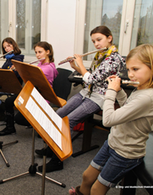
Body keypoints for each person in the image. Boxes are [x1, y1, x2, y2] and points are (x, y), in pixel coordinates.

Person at [69, 44, 153, 195]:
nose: (130, 75)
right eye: (129, 69)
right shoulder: (141, 89)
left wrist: (110, 91)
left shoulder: (148, 97)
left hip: (126, 152)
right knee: (86, 177)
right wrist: (119, 92)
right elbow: (127, 108)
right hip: (113, 142)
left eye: (136, 69)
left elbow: (108, 120)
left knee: (97, 189)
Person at [35, 26, 126, 173]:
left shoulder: (114, 59)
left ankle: (58, 161)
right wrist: (76, 67)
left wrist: (81, 64)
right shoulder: (101, 55)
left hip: (99, 97)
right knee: (58, 115)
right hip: (87, 92)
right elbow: (90, 76)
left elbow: (91, 79)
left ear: (109, 38)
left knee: (69, 121)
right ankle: (52, 149)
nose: (96, 44)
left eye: (99, 40)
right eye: (93, 41)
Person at [0, 41, 58, 136]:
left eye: (40, 52)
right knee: (9, 101)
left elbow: (30, 80)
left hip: (41, 97)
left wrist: (22, 70)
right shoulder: (41, 64)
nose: (37, 55)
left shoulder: (48, 68)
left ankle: (42, 123)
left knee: (19, 119)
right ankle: (10, 128)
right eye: (36, 52)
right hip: (33, 93)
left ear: (48, 52)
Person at [0, 37, 24, 121]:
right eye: (5, 47)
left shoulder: (17, 59)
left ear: (14, 46)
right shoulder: (8, 59)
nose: (7, 49)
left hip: (12, 86)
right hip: (5, 84)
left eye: (9, 46)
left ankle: (2, 106)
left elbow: (10, 75)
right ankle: (2, 106)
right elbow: (2, 73)